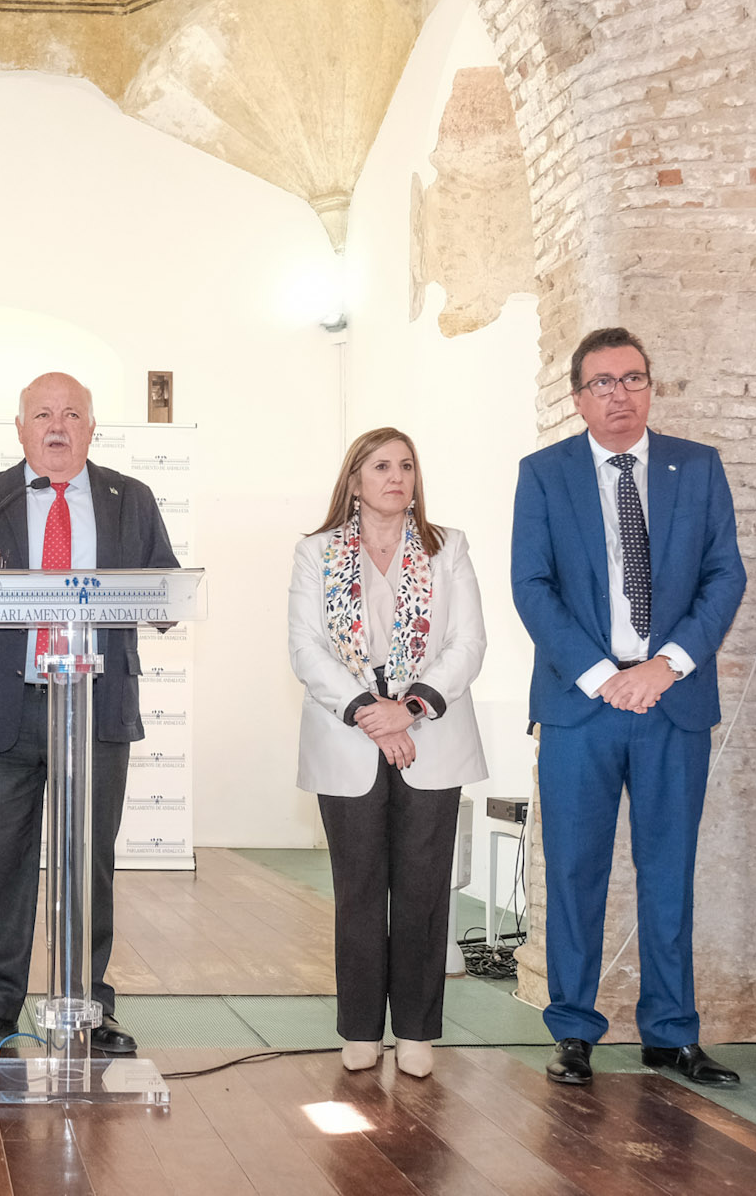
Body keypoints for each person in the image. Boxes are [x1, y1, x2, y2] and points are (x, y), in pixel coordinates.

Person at [511, 327, 746, 1088]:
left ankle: (671, 1032)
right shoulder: (543, 474)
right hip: (583, 706)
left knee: (668, 870)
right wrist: (600, 674)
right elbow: (532, 586)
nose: (620, 393)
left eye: (633, 378)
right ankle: (574, 1030)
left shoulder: (697, 467)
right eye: (602, 382)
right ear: (578, 397)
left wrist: (664, 666)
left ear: (652, 386)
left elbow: (724, 577)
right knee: (575, 871)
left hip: (670, 700)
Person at [0, 373, 179, 1056]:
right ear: (21, 428)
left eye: (72, 414)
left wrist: (152, 600)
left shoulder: (132, 499)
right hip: (4, 713)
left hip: (94, 712)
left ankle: (86, 1006)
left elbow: (166, 590)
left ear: (92, 428)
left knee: (88, 865)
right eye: (43, 414)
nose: (58, 425)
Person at [287, 428, 489, 1077]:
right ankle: (360, 1029)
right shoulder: (315, 551)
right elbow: (306, 649)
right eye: (381, 466)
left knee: (425, 891)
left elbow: (468, 643)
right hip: (348, 728)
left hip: (429, 726)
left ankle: (418, 1031)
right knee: (360, 889)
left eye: (406, 465)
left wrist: (412, 706)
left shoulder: (446, 546)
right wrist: (371, 713)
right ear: (354, 480)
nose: (396, 476)